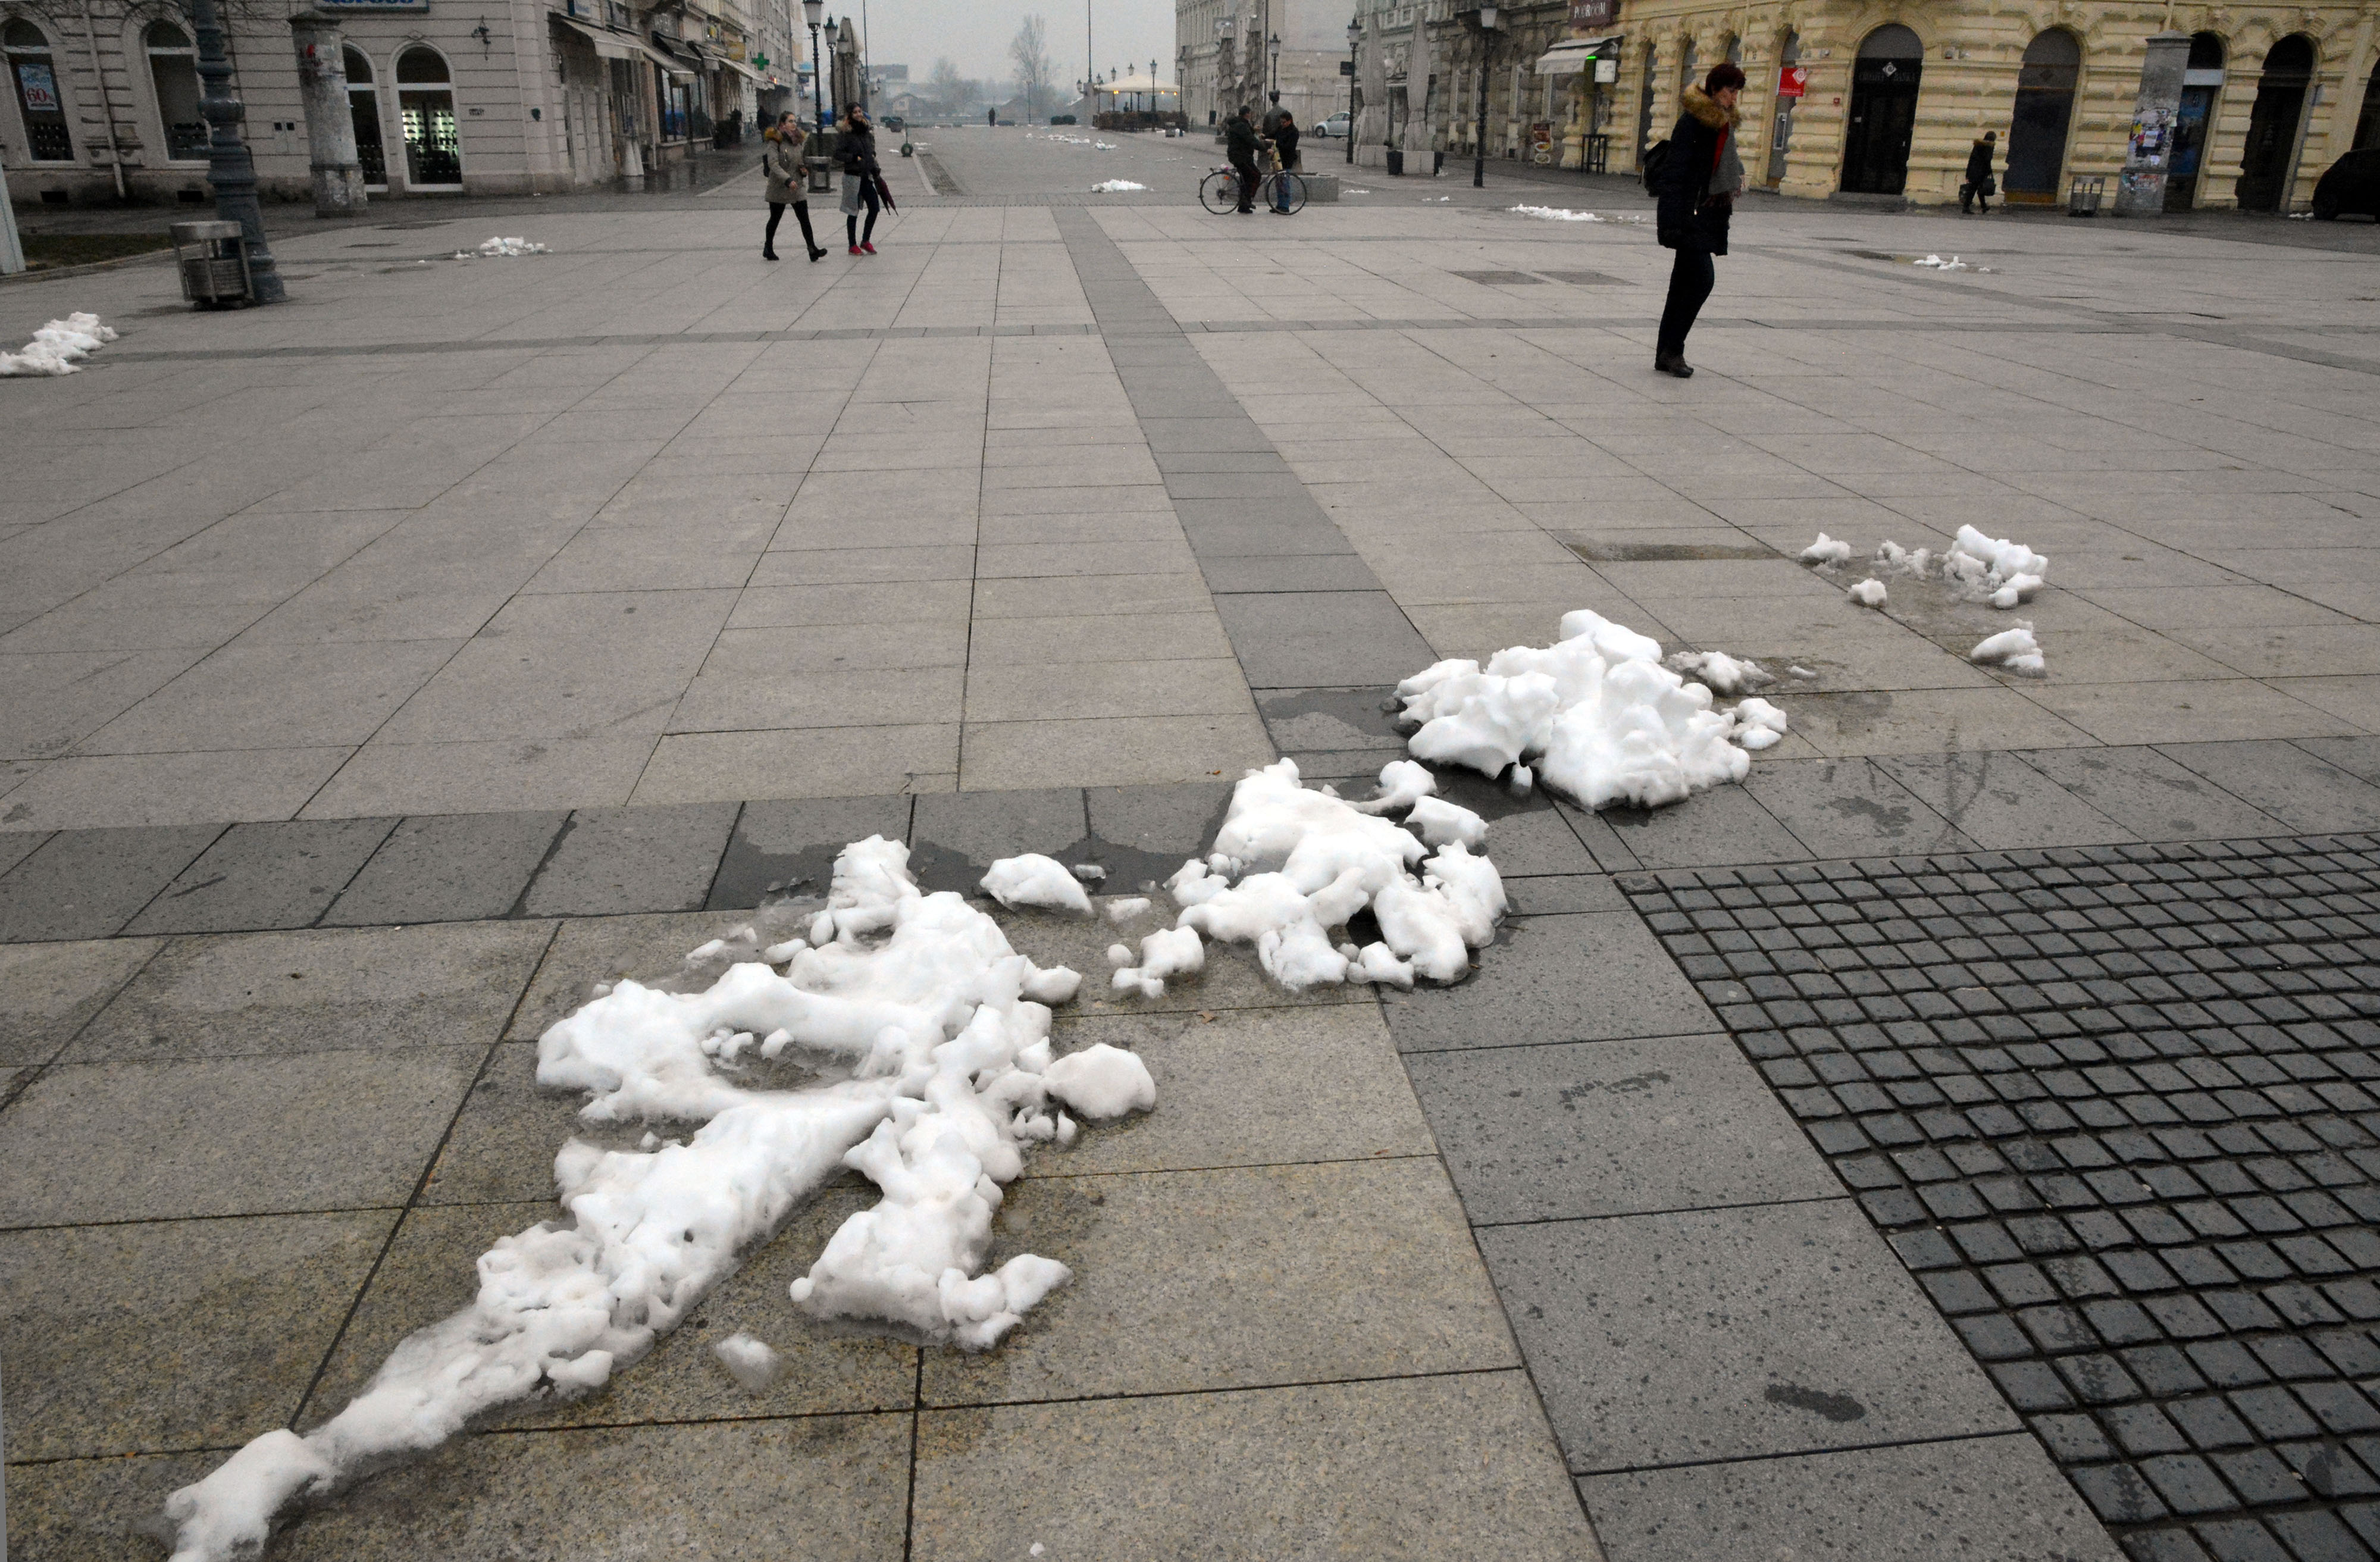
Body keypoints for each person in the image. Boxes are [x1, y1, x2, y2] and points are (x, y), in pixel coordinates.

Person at [1651, 62, 1745, 379]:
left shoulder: (1722, 125)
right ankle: (1673, 350)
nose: (1734, 98)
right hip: (1688, 214)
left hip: (1706, 213)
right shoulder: (1693, 123)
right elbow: (1675, 174)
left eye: (1736, 92)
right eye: (1730, 91)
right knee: (1702, 281)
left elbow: (1721, 168)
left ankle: (1666, 353)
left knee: (1681, 286)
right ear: (1715, 90)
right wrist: (1671, 221)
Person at [761, 112, 826, 262]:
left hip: (797, 185)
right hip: (780, 186)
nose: (794, 124)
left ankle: (812, 249)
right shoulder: (774, 142)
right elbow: (773, 164)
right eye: (790, 121)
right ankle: (768, 247)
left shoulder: (797, 141)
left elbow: (799, 160)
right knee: (775, 218)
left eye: (795, 121)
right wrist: (787, 179)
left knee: (804, 218)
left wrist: (803, 169)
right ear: (782, 124)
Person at [838, 105, 882, 255]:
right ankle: (852, 244)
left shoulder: (866, 131)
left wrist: (872, 157)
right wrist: (853, 158)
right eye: (855, 112)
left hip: (866, 176)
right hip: (853, 176)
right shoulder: (846, 133)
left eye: (860, 112)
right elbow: (838, 153)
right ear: (850, 115)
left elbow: (870, 149)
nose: (858, 115)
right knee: (853, 211)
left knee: (875, 208)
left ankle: (866, 240)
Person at [1224, 105, 1263, 214]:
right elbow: (1250, 140)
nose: (1251, 116)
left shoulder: (1239, 123)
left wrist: (1253, 130)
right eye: (1250, 114)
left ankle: (1243, 206)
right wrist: (1265, 149)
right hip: (1241, 157)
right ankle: (1247, 200)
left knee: (1245, 180)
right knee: (1256, 175)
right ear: (1247, 114)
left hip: (1239, 156)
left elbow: (1245, 134)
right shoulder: (1242, 125)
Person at [1270, 108, 1301, 213]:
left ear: (1290, 121)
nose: (1282, 124)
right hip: (1278, 158)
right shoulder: (1281, 128)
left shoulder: (1294, 132)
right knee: (1278, 182)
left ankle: (1285, 206)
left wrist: (1277, 143)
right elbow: (1273, 134)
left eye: (1284, 122)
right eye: (1281, 122)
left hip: (1287, 159)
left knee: (1285, 182)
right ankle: (1280, 205)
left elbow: (1289, 147)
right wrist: (1265, 136)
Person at [1962, 130, 1998, 214]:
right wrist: (1989, 171)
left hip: (1973, 170)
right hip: (1982, 171)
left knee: (1976, 189)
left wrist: (1968, 172)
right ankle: (1966, 207)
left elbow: (1971, 159)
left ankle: (1983, 206)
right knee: (1975, 189)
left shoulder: (1977, 145)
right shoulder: (1989, 146)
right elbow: (1987, 160)